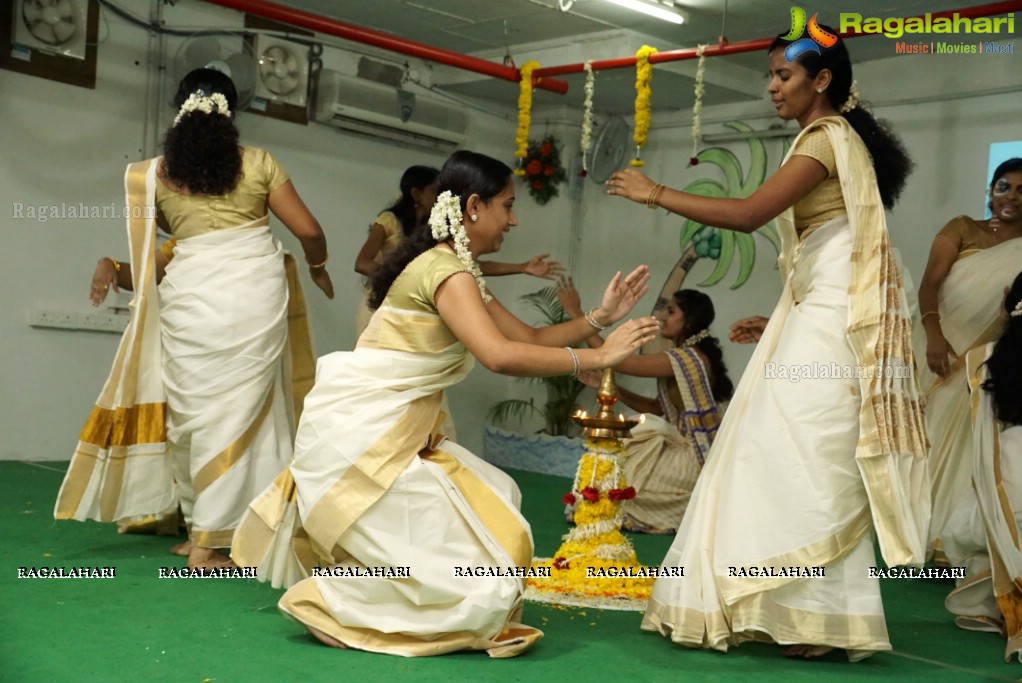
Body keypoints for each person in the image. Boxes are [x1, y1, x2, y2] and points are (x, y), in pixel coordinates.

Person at [231, 150, 660, 657]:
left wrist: (599, 316)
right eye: (507, 205)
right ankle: (329, 600)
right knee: (481, 575)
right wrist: (597, 355)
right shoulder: (447, 271)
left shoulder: (460, 269)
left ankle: (363, 593)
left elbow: (529, 335)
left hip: (383, 432)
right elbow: (499, 356)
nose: (514, 219)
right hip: (366, 439)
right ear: (474, 207)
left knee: (499, 504)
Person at [605, 28, 928, 659]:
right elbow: (822, 251)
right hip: (820, 313)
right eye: (771, 75)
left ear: (822, 80)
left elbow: (752, 214)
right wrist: (781, 316)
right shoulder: (835, 140)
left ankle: (810, 615)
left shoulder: (827, 138)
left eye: (784, 75)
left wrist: (657, 194)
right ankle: (793, 612)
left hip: (832, 319)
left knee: (799, 456)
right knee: (781, 453)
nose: (772, 86)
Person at [55, 68, 334, 570]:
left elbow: (157, 263)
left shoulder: (153, 176)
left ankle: (201, 527)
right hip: (251, 294)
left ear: (177, 110)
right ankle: (208, 542)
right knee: (246, 411)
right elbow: (310, 231)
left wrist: (110, 267)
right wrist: (316, 265)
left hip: (190, 300)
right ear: (233, 113)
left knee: (194, 415)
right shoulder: (259, 164)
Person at [559, 283, 732, 534]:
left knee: (617, 484)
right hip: (687, 449)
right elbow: (655, 408)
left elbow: (617, 358)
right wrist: (607, 388)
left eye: (671, 311)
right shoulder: (686, 356)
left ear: (690, 319)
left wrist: (578, 315)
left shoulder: (685, 359)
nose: (662, 317)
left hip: (695, 459)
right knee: (617, 472)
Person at [918, 159, 1022, 558]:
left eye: (1020, 190)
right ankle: (916, 532)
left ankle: (948, 542)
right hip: (939, 346)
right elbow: (930, 284)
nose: (1011, 197)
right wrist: (933, 334)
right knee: (932, 436)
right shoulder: (962, 228)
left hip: (989, 355)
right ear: (990, 191)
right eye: (1003, 187)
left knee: (968, 441)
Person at [353, 164, 564, 337]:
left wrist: (522, 267)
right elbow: (362, 263)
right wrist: (410, 277)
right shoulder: (390, 221)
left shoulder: (437, 243)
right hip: (383, 302)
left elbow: (468, 264)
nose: (439, 198)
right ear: (416, 193)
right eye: (434, 192)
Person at [943, 271, 1022, 662]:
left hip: (1005, 467)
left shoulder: (985, 362)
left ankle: (999, 599)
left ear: (1007, 300)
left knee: (976, 521)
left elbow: (985, 438)